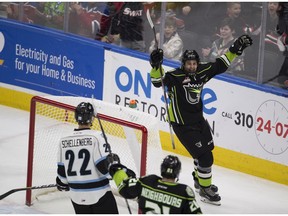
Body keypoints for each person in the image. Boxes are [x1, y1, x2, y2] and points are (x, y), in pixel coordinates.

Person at [149, 34, 253, 205]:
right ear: (183, 64)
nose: (192, 66)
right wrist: (155, 65)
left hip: (199, 121)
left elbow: (221, 64)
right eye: (189, 64)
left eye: (194, 63)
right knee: (205, 158)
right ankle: (205, 189)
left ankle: (199, 179)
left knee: (207, 151)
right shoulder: (175, 77)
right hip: (182, 125)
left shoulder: (202, 71)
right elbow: (157, 81)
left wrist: (235, 49)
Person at [56, 102, 119, 214]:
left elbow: (62, 178)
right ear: (92, 119)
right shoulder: (96, 137)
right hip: (99, 195)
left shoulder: (63, 140)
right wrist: (114, 167)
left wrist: (62, 183)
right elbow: (105, 170)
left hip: (76, 197)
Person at [107, 153, 202, 214]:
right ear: (177, 172)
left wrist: (115, 168)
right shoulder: (184, 192)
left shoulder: (148, 181)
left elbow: (124, 188)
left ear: (162, 169)